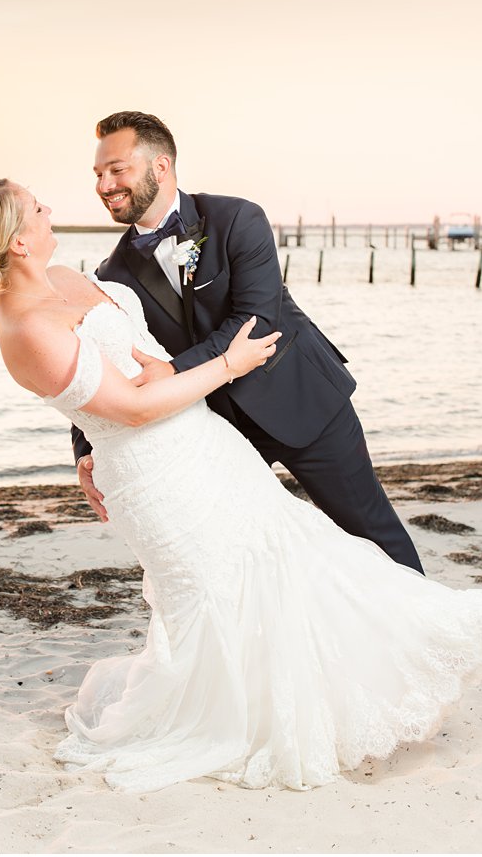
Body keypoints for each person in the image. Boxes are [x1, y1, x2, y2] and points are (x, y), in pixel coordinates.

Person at [0, 177, 482, 792]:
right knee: (219, 597)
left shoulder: (74, 279)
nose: (51, 208)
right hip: (154, 475)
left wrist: (157, 369)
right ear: (19, 241)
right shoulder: (26, 327)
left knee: (292, 556)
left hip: (203, 445)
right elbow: (125, 410)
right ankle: (259, 715)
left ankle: (419, 641)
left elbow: (135, 362)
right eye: (36, 207)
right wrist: (224, 367)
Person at [74, 110, 425, 573]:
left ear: (161, 166)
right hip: (216, 431)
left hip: (304, 399)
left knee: (368, 529)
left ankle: (435, 633)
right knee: (232, 552)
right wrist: (86, 449)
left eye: (117, 170)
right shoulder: (112, 274)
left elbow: (258, 322)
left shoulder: (237, 217)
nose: (104, 185)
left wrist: (175, 371)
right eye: (99, 173)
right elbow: (103, 362)